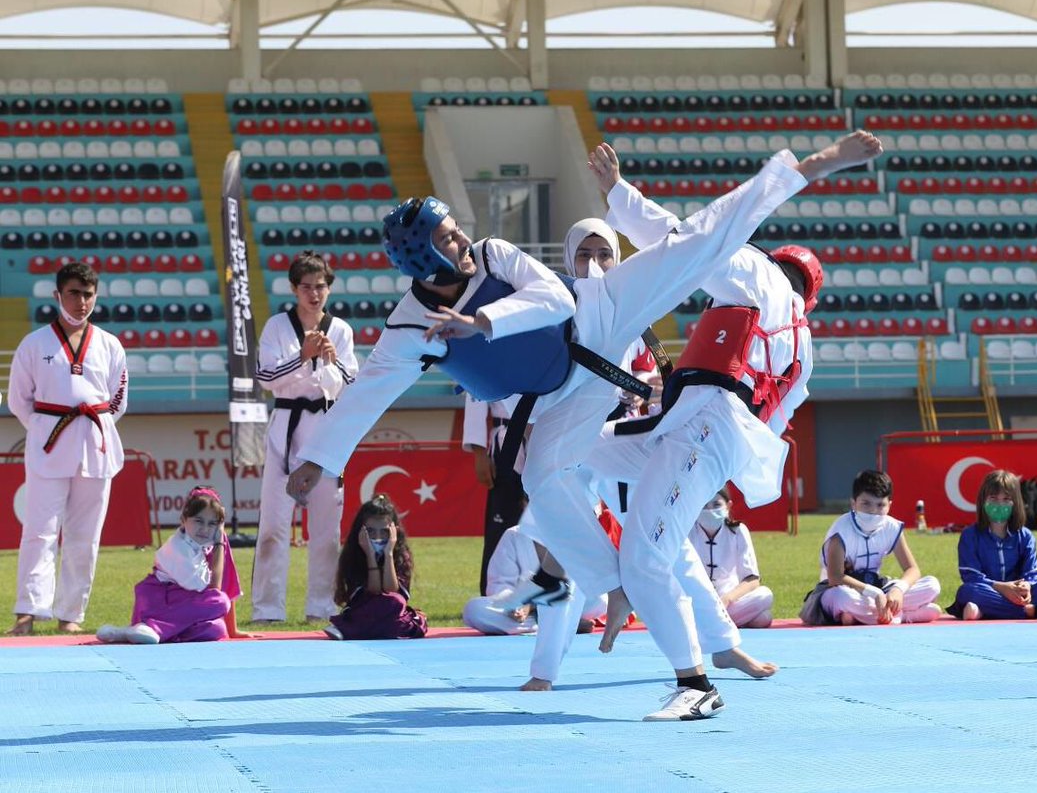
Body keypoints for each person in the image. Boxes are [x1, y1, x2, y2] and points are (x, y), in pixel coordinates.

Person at [286, 134, 878, 639]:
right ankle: (614, 585)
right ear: (419, 259)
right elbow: (370, 390)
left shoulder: (494, 254)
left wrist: (481, 322)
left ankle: (807, 167)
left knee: (696, 242)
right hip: (570, 393)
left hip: (602, 318)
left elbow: (554, 297)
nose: (460, 241)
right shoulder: (410, 326)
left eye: (454, 229)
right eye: (444, 239)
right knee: (543, 479)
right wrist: (318, 457)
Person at [565, 136, 881, 720]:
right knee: (572, 452)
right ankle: (621, 585)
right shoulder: (803, 346)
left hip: (698, 432)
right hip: (700, 435)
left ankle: (695, 682)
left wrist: (619, 196)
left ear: (775, 262)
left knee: (642, 552)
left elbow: (686, 239)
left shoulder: (757, 274)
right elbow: (778, 416)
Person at [7, 261, 128, 636]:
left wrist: (84, 428)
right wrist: (46, 428)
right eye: (74, 293)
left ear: (97, 296)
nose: (82, 301)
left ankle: (71, 614)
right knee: (39, 532)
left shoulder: (109, 345)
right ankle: (27, 612)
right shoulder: (35, 343)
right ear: (57, 295)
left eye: (88, 294)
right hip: (49, 442)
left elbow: (118, 401)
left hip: (95, 441)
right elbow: (18, 400)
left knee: (85, 536)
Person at [251, 251, 358, 624]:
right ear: (294, 289)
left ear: (329, 288)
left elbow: (350, 382)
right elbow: (266, 378)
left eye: (321, 287)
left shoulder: (340, 330)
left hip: (326, 430)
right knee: (273, 526)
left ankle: (322, 606)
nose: (314, 294)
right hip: (287, 427)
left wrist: (329, 360)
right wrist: (302, 356)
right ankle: (267, 609)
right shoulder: (277, 327)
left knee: (327, 528)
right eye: (307, 287)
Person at [97, 487, 245, 644]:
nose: (205, 529)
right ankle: (152, 627)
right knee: (220, 601)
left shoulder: (203, 545)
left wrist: (232, 631)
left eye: (212, 523)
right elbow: (214, 589)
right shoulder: (178, 547)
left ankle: (149, 632)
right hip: (159, 601)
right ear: (183, 519)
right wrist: (220, 543)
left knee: (216, 629)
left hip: (180, 603)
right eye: (199, 521)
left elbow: (228, 582)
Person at [800, 470, 942, 627]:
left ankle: (859, 617)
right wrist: (874, 593)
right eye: (866, 503)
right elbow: (835, 577)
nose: (873, 511)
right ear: (853, 503)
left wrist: (898, 590)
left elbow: (912, 569)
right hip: (841, 589)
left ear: (890, 505)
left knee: (932, 585)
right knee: (842, 597)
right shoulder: (840, 531)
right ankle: (902, 616)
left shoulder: (892, 527)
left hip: (878, 587)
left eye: (880, 505)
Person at [947, 470, 1037, 621]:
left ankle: (985, 612)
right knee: (966, 592)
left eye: (1006, 499)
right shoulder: (970, 535)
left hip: (1015, 594)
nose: (999, 504)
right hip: (988, 590)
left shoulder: (1025, 536)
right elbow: (972, 576)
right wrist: (1001, 587)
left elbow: (1033, 573)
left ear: (1016, 503)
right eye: (993, 498)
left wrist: (1026, 585)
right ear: (983, 501)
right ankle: (1035, 611)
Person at [462, 524, 605, 636]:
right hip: (520, 611)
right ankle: (567, 624)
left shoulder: (574, 534)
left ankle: (555, 622)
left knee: (601, 599)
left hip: (564, 603)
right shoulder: (514, 536)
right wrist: (517, 604)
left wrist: (532, 605)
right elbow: (499, 585)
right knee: (474, 609)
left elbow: (585, 582)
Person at [324, 494, 428, 640]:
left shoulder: (400, 554)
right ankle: (363, 628)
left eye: (384, 532)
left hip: (392, 610)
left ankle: (357, 631)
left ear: (393, 531)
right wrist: (371, 556)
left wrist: (389, 554)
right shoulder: (353, 554)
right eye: (371, 532)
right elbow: (373, 591)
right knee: (377, 605)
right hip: (364, 609)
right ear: (361, 531)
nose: (378, 538)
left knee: (393, 601)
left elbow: (391, 589)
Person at [463, 393, 528, 596]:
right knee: (502, 522)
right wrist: (479, 453)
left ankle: (544, 593)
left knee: (544, 521)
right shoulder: (485, 359)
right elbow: (475, 392)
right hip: (506, 439)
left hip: (544, 436)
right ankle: (494, 592)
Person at [686, 488, 774, 628]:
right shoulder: (687, 532)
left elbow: (752, 580)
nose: (710, 511)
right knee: (761, 619)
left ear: (728, 506)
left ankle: (707, 623)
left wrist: (727, 599)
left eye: (716, 505)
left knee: (765, 595)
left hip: (730, 601)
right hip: (696, 602)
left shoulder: (738, 530)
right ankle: (721, 622)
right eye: (704, 506)